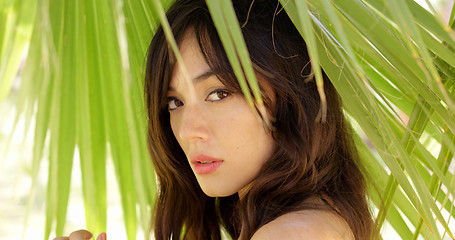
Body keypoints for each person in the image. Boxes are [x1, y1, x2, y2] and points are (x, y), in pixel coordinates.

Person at [57, 0, 373, 239]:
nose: (188, 131)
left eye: (219, 93)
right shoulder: (315, 220)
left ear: (289, 95)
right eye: (175, 101)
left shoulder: (294, 232)